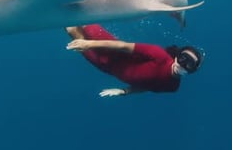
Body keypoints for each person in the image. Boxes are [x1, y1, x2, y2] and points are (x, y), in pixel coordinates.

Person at [66, 24, 203, 97]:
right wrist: (89, 44)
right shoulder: (159, 55)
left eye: (189, 65)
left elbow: (148, 87)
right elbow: (123, 46)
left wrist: (125, 92)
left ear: (192, 71)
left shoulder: (172, 86)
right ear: (177, 56)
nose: (182, 65)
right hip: (113, 50)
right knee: (82, 20)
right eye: (183, 58)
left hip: (106, 66)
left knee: (71, 29)